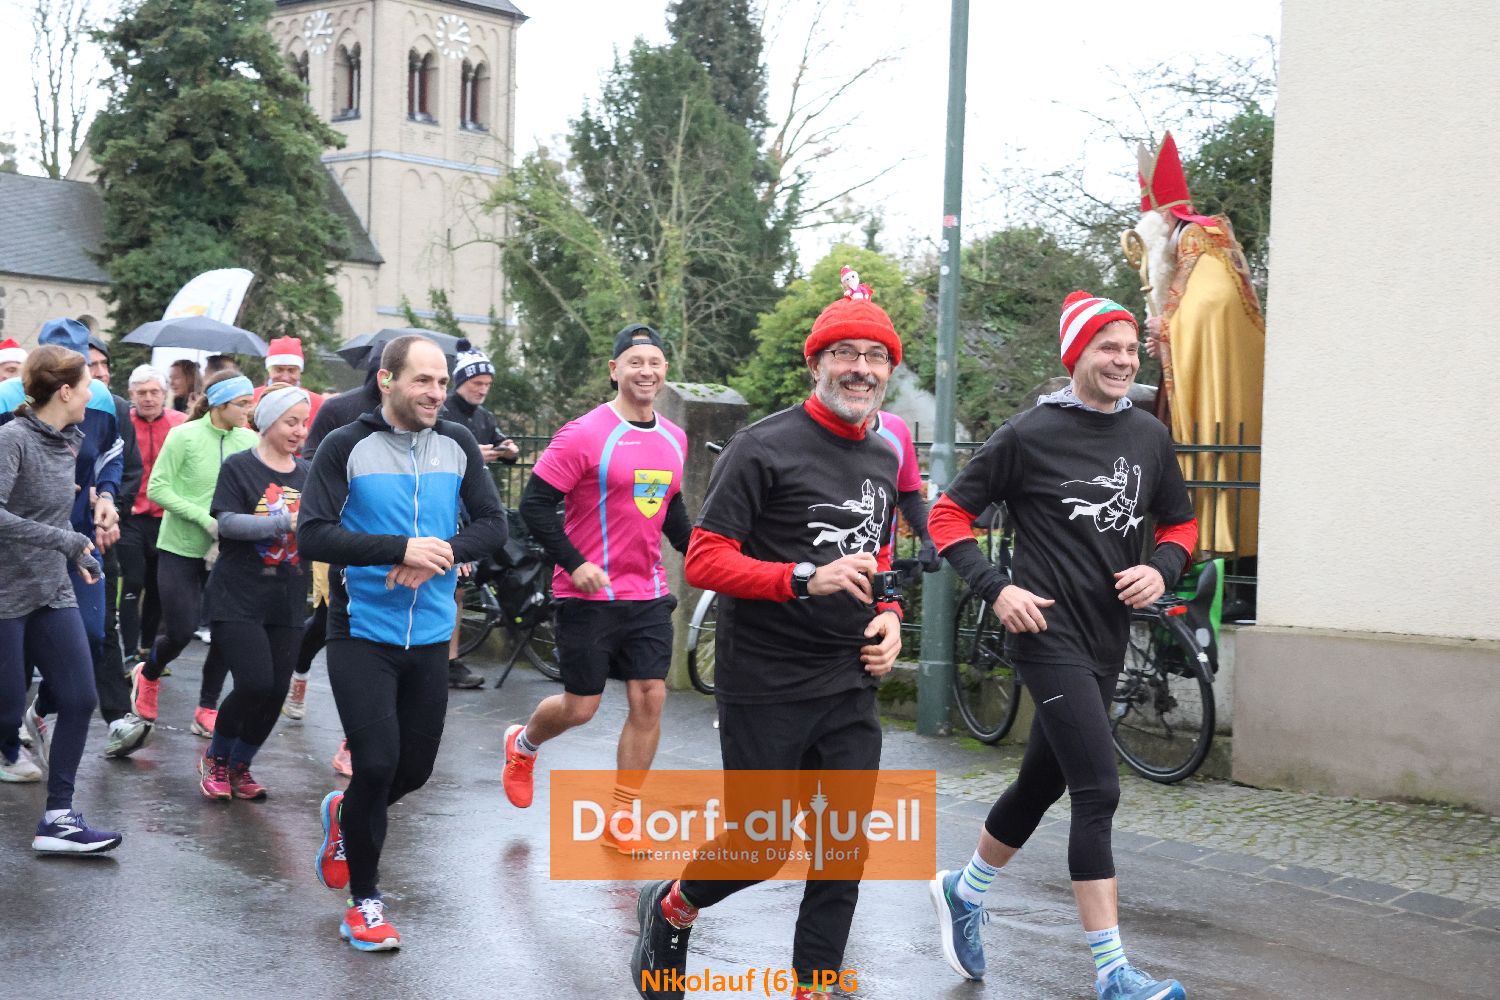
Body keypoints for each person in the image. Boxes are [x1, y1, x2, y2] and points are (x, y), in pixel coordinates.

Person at [631, 277, 905, 1000]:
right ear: (816, 363)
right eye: (845, 353)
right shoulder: (761, 447)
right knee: (762, 844)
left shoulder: (883, 455)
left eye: (876, 356)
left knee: (844, 844)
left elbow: (879, 553)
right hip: (766, 679)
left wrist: (891, 613)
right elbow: (704, 560)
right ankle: (674, 904)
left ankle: (816, 982)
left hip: (847, 675)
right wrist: (803, 578)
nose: (861, 369)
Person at [924, 291, 1197, 1000]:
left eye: (1131, 348)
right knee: (1097, 788)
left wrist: (1161, 568)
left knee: (1041, 783)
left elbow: (1180, 524)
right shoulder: (1029, 434)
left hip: (1106, 637)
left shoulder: (1148, 435)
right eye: (1108, 347)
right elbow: (947, 516)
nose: (1123, 360)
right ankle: (1113, 972)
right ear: (1077, 354)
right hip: (1045, 635)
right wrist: (996, 589)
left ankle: (963, 891)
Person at [300, 335, 506, 951]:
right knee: (377, 763)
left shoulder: (458, 442)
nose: (437, 393)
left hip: (431, 634)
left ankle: (347, 813)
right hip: (362, 630)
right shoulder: (344, 445)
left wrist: (438, 554)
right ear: (387, 380)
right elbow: (313, 534)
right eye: (423, 380)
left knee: (413, 771)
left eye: (442, 382)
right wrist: (398, 549)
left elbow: (493, 525)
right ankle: (364, 903)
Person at [502, 324, 689, 850]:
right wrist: (575, 563)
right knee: (580, 708)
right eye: (635, 362)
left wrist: (705, 553)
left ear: (665, 370)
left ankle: (623, 814)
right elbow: (535, 506)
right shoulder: (583, 433)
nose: (646, 371)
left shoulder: (675, 438)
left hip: (647, 592)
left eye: (654, 362)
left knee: (650, 698)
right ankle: (524, 743)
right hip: (586, 594)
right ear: (615, 370)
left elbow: (670, 509)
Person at [0, 320, 144, 761]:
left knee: (92, 635)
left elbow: (114, 455)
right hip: (18, 549)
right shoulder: (8, 402)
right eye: (77, 366)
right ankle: (9, 742)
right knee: (16, 661)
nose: (90, 375)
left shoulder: (101, 401)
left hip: (78, 537)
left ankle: (41, 713)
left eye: (86, 361)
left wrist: (107, 496)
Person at [0, 344, 122, 851]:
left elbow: (52, 520)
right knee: (6, 712)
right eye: (88, 384)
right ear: (66, 391)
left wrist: (80, 553)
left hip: (51, 589)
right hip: (4, 594)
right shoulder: (11, 439)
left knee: (79, 698)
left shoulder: (71, 441)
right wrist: (65, 541)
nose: (94, 392)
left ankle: (58, 819)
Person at [1134, 132, 1263, 570]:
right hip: (1202, 373)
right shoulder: (1191, 242)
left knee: (1212, 452)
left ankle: (1211, 558)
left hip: (1218, 384)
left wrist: (1169, 327)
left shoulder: (1197, 238)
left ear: (1163, 218)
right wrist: (1167, 336)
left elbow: (1214, 306)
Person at [196, 385, 311, 800]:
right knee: (255, 684)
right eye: (291, 422)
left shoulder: (308, 474)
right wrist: (285, 522)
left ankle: (241, 765)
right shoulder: (239, 467)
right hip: (238, 594)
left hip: (287, 596)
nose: (300, 431)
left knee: (277, 691)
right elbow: (227, 524)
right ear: (268, 422)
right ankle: (216, 758)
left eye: (304, 423)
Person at [129, 370, 257, 740]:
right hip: (180, 547)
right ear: (219, 404)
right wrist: (205, 519)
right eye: (242, 404)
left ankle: (207, 708)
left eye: (250, 403)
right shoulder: (184, 435)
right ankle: (148, 673)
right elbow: (157, 488)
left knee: (225, 632)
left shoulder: (250, 440)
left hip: (228, 552)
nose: (248, 411)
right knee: (181, 630)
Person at [285, 359, 384, 770]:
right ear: (384, 375)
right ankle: (300, 671)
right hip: (341, 537)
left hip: (392, 543)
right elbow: (310, 463)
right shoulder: (339, 409)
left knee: (374, 637)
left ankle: (354, 739)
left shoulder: (419, 420)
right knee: (332, 621)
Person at [440, 346, 519, 688]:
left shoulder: (484, 416)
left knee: (461, 586)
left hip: (478, 509)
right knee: (453, 588)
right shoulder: (444, 411)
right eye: (477, 383)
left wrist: (509, 450)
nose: (482, 389)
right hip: (450, 506)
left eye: (487, 384)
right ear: (461, 381)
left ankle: (449, 658)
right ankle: (447, 660)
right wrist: (474, 455)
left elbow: (501, 445)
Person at [119, 365, 187, 661]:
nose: (148, 398)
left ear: (164, 393)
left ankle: (148, 648)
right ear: (131, 394)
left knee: (158, 586)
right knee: (133, 581)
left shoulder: (180, 423)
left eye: (154, 392)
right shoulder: (123, 423)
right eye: (142, 392)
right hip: (131, 516)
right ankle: (129, 652)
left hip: (165, 517)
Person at [252, 336, 324, 429]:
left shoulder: (318, 403)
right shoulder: (252, 399)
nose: (285, 377)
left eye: (291, 370)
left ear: (300, 372)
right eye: (279, 370)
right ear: (269, 370)